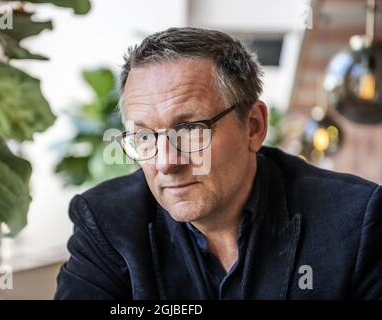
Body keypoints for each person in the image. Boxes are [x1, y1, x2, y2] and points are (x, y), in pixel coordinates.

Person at [55, 27, 381, 299]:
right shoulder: (105, 223)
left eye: (189, 130)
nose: (166, 163)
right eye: (144, 137)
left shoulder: (357, 220)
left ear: (253, 126)